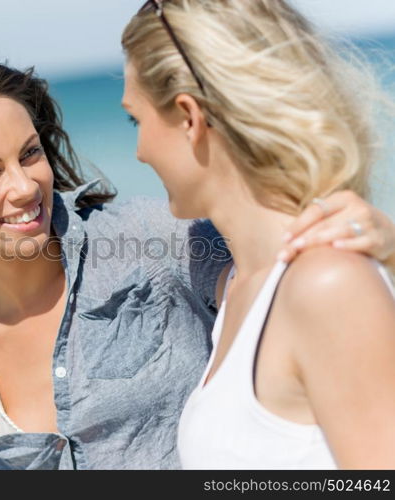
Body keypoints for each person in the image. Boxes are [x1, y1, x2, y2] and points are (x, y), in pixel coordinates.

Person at [0, 51, 395, 469]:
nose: (24, 185)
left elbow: (287, 275)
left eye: (30, 154)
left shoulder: (151, 240)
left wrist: (374, 243)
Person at [121, 0, 395, 469]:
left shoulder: (325, 284)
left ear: (190, 117)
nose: (140, 151)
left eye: (136, 120)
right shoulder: (236, 286)